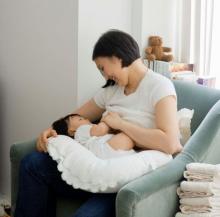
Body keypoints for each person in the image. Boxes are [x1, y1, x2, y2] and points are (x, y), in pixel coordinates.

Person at [15, 29, 183, 217]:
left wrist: (121, 125)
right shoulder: (111, 91)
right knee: (32, 164)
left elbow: (170, 143)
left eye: (102, 68)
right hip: (97, 168)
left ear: (117, 56)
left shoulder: (159, 86)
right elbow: (74, 117)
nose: (104, 76)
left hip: (126, 179)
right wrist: (51, 130)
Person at [51, 113, 135, 159]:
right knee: (126, 137)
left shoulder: (83, 135)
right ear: (72, 132)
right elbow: (101, 130)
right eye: (81, 119)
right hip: (104, 149)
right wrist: (106, 120)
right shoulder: (80, 131)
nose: (87, 119)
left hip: (107, 151)